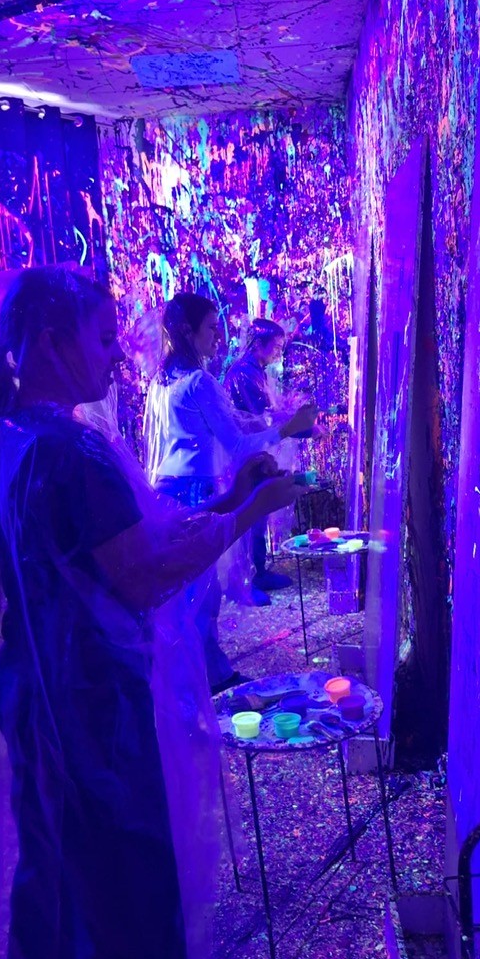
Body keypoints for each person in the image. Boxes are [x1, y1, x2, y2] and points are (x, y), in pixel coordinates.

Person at [0, 268, 304, 959]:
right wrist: (247, 514)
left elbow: (36, 583)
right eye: (103, 337)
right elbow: (143, 573)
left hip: (37, 706)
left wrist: (228, 497)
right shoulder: (72, 452)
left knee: (54, 882)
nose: (117, 356)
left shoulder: (6, 441)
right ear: (51, 343)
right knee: (128, 891)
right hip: (98, 714)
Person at [144, 294, 317, 687]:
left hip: (166, 491)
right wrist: (288, 429)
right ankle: (209, 678)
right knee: (202, 591)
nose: (217, 337)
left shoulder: (162, 381)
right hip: (196, 492)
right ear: (188, 331)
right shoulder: (199, 382)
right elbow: (237, 444)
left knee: (183, 593)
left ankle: (195, 673)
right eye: (210, 328)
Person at [223, 318, 295, 605]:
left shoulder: (256, 372)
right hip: (245, 453)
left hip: (256, 450)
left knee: (258, 512)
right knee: (249, 514)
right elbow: (259, 415)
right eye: (275, 346)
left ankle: (259, 571)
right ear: (258, 345)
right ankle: (244, 580)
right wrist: (295, 424)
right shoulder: (244, 374)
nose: (279, 352)